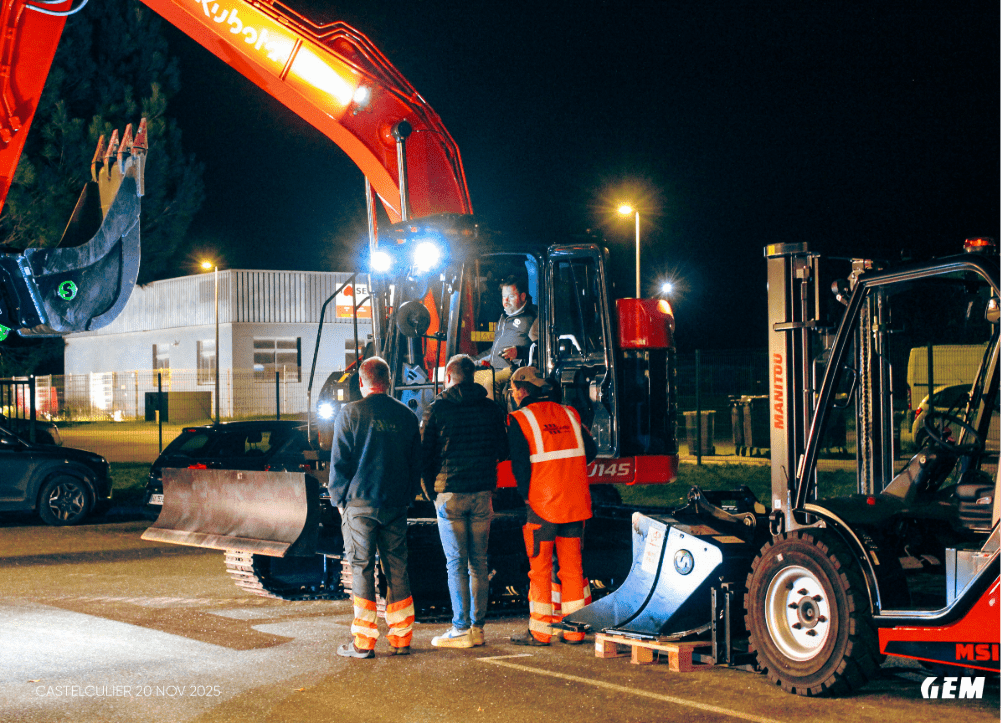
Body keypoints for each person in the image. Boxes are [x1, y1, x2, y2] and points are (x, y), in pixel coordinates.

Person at [327, 356, 421, 659]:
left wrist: (338, 500)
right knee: (397, 567)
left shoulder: (350, 413)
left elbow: (339, 462)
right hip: (394, 504)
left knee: (362, 568)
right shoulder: (406, 415)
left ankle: (364, 643)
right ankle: (401, 638)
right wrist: (407, 498)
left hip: (359, 504)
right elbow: (414, 464)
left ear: (361, 382)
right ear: (389, 380)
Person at [421, 354, 509, 648]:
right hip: (482, 492)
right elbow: (503, 448)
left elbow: (425, 455)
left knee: (456, 564)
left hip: (450, 494)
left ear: (448, 376)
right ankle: (478, 629)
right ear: (474, 377)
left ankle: (460, 628)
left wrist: (431, 492)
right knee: (479, 563)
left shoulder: (437, 409)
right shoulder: (491, 409)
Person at [506, 366, 597, 646]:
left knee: (540, 569)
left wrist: (524, 495)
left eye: (512, 390)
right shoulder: (570, 414)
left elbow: (520, 466)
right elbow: (590, 451)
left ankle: (541, 632)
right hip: (575, 502)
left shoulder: (520, 418)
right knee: (572, 569)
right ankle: (574, 630)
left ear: (522, 391)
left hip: (542, 504)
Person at [474, 276, 538, 400]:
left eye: (511, 297)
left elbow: (543, 348)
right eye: (504, 297)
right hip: (494, 368)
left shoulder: (533, 316)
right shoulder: (503, 319)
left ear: (523, 296)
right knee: (469, 378)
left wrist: (519, 352)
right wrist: (473, 361)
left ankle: (496, 418)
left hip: (516, 370)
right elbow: (494, 351)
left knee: (490, 382)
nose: (506, 301)